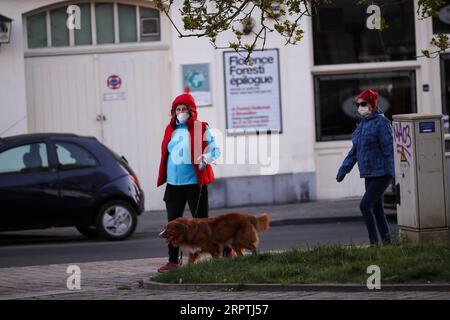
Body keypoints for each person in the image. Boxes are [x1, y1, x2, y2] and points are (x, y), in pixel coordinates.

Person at [156, 93, 232, 272]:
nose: (180, 112)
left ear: (191, 111)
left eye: (184, 109)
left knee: (202, 224)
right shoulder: (170, 130)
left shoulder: (200, 128)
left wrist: (207, 156)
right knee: (172, 224)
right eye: (177, 109)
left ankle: (226, 250)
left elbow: (215, 150)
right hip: (174, 185)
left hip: (193, 184)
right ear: (173, 112)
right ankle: (173, 261)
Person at [336, 89, 394, 245]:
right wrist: (343, 170)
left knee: (365, 206)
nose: (360, 107)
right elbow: (354, 152)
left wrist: (394, 172)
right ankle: (388, 243)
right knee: (377, 209)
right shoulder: (361, 125)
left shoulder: (381, 122)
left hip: (382, 173)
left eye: (363, 104)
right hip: (369, 173)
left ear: (372, 104)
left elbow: (389, 149)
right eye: (357, 104)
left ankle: (374, 243)